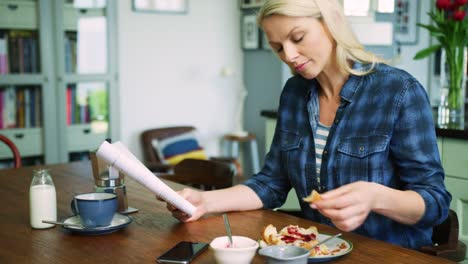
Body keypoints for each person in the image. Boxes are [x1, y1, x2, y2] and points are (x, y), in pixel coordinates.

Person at [161, 0, 451, 250]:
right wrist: (204, 201)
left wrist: (375, 197)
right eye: (277, 48)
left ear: (331, 22)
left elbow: (435, 203)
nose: (289, 55)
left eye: (297, 37)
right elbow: (271, 183)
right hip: (315, 251)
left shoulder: (398, 91)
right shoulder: (294, 93)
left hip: (386, 254)